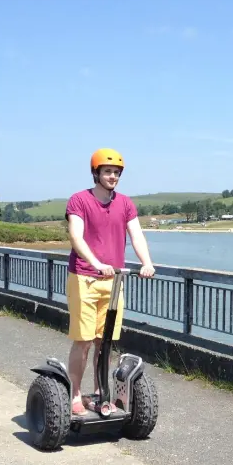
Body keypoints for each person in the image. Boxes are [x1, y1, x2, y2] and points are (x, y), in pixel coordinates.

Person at [65, 148, 156, 417]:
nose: (112, 176)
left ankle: (99, 392)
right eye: (107, 171)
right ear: (96, 173)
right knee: (83, 341)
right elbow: (76, 237)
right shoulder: (79, 200)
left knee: (104, 342)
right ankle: (74, 393)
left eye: (116, 172)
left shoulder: (125, 204)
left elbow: (137, 236)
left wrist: (147, 262)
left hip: (114, 280)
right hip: (84, 277)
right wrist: (95, 263)